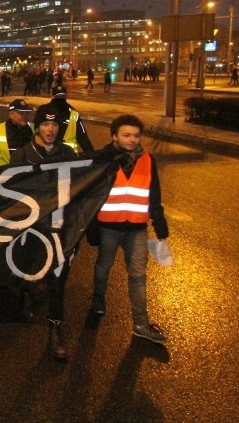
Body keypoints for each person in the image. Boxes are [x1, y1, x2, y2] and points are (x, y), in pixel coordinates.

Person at [91, 114, 170, 345]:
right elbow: (91, 194)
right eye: (126, 135)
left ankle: (141, 324)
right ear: (114, 136)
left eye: (136, 135)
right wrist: (91, 226)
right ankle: (98, 298)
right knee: (103, 266)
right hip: (108, 227)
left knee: (138, 276)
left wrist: (159, 222)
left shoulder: (147, 159)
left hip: (137, 228)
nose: (132, 140)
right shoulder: (104, 159)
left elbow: (153, 193)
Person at [9, 105, 77, 359]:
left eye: (55, 125)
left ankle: (56, 331)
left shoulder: (68, 153)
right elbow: (11, 188)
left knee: (58, 280)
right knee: (29, 269)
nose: (51, 130)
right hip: (33, 228)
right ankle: (25, 293)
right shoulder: (24, 154)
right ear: (37, 127)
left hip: (59, 228)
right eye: (46, 125)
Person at [42, 85, 94, 155]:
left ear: (52, 96)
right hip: (68, 158)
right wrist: (92, 155)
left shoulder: (43, 110)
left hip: (50, 157)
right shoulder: (73, 113)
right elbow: (83, 137)